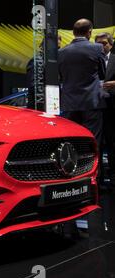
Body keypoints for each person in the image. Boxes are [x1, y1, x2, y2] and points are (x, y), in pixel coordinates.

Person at [58, 18, 106, 184]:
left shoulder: (62, 52)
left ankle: (74, 178)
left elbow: (62, 76)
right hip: (91, 102)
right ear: (90, 31)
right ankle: (94, 179)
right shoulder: (97, 48)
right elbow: (102, 74)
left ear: (73, 32)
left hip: (70, 103)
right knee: (94, 142)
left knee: (72, 143)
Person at [96, 32, 115, 184]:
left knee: (112, 142)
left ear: (111, 44)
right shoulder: (92, 59)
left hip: (112, 108)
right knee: (96, 143)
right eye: (98, 43)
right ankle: (99, 177)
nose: (101, 46)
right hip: (95, 107)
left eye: (104, 43)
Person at [26, 35, 62, 109]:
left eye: (58, 48)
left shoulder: (50, 62)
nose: (57, 50)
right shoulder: (37, 61)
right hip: (40, 108)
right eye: (56, 48)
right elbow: (35, 87)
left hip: (49, 106)